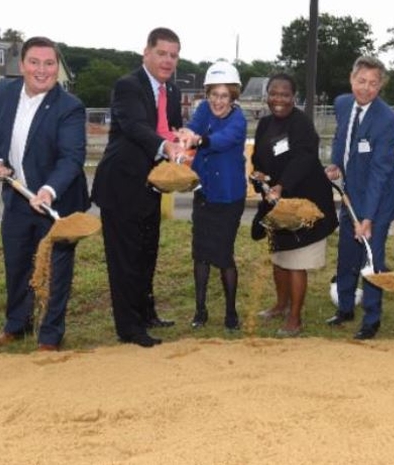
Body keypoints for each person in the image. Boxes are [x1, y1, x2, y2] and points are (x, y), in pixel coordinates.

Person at [0, 36, 89, 352]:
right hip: (16, 198)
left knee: (56, 270)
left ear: (57, 67)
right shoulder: (3, 92)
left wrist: (48, 190)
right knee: (17, 264)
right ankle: (17, 325)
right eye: (35, 62)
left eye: (49, 63)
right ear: (22, 65)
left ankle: (50, 336)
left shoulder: (70, 107)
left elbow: (72, 157)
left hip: (57, 202)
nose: (42, 70)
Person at [90, 27, 189, 348]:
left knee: (147, 254)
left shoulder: (171, 91)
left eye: (173, 55)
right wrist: (166, 146)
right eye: (162, 53)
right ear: (146, 53)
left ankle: (146, 313)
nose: (168, 61)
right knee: (125, 260)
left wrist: (181, 137)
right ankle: (129, 327)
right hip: (121, 186)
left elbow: (170, 128)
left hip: (152, 187)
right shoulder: (128, 86)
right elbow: (136, 127)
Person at [250, 73, 338, 337]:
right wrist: (259, 177)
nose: (279, 99)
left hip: (304, 204)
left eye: (285, 94)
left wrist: (282, 185)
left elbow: (304, 157)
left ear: (294, 97)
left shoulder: (301, 124)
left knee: (296, 261)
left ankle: (295, 319)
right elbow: (259, 159)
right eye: (273, 93)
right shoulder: (265, 124)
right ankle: (280, 305)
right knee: (279, 257)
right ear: (267, 95)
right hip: (278, 205)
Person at [324, 56, 394, 340]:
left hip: (378, 200)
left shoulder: (387, 121)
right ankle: (345, 307)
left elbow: (380, 173)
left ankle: (371, 318)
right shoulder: (343, 104)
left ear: (380, 86)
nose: (366, 88)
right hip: (351, 194)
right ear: (351, 79)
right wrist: (335, 165)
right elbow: (341, 138)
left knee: (372, 258)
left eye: (373, 83)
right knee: (347, 254)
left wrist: (367, 218)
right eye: (361, 81)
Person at [178, 61, 247, 331]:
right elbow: (193, 128)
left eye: (224, 96)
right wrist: (187, 135)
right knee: (200, 254)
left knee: (223, 255)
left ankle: (231, 313)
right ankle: (200, 310)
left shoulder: (238, 119)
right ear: (207, 95)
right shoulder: (203, 110)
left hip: (229, 197)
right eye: (213, 95)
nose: (218, 101)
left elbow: (223, 140)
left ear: (233, 96)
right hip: (204, 192)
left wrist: (200, 141)